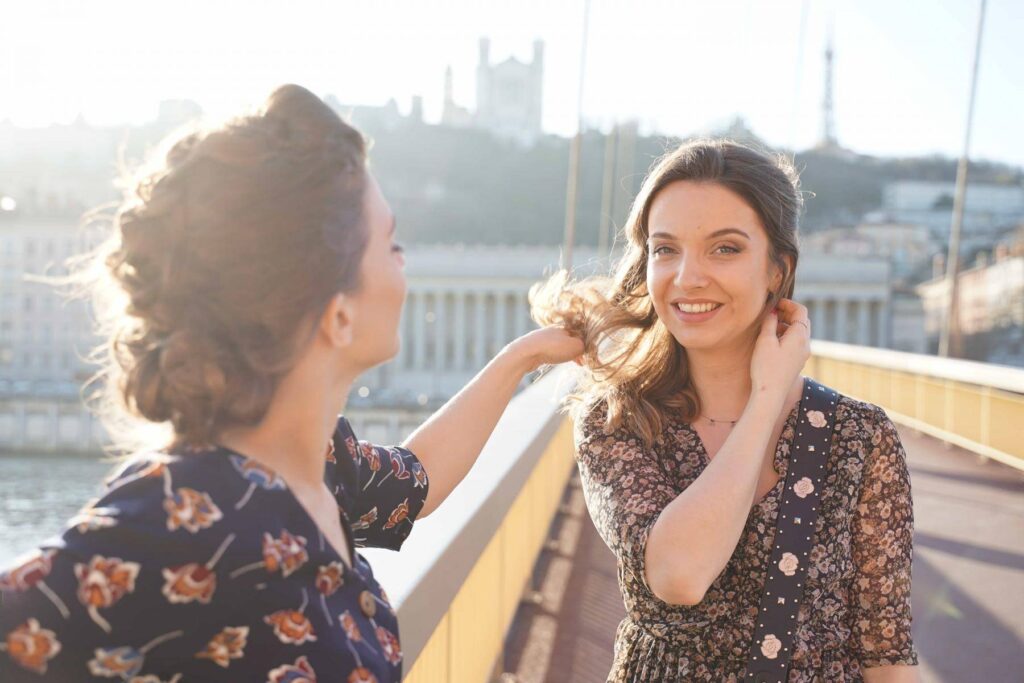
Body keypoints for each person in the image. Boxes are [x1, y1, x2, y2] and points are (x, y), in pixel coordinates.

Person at [0, 84, 583, 682]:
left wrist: (525, 357)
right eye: (393, 244)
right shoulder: (175, 515)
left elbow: (420, 482)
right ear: (338, 313)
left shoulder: (324, 469)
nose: (405, 265)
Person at [531, 139, 918, 681]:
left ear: (777, 271)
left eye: (725, 249)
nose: (688, 277)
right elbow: (679, 575)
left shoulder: (858, 436)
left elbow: (886, 651)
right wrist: (766, 402)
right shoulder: (617, 421)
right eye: (666, 249)